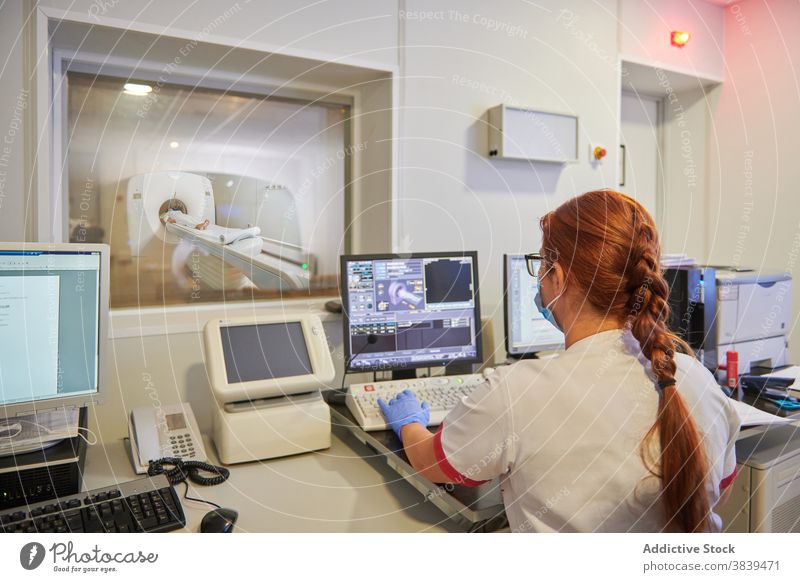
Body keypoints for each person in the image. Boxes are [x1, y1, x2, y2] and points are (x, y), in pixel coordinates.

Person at [378, 189, 740, 533]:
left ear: (560, 278)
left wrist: (409, 423)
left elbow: (435, 463)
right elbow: (718, 487)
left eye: (541, 264)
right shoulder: (694, 377)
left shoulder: (518, 391)